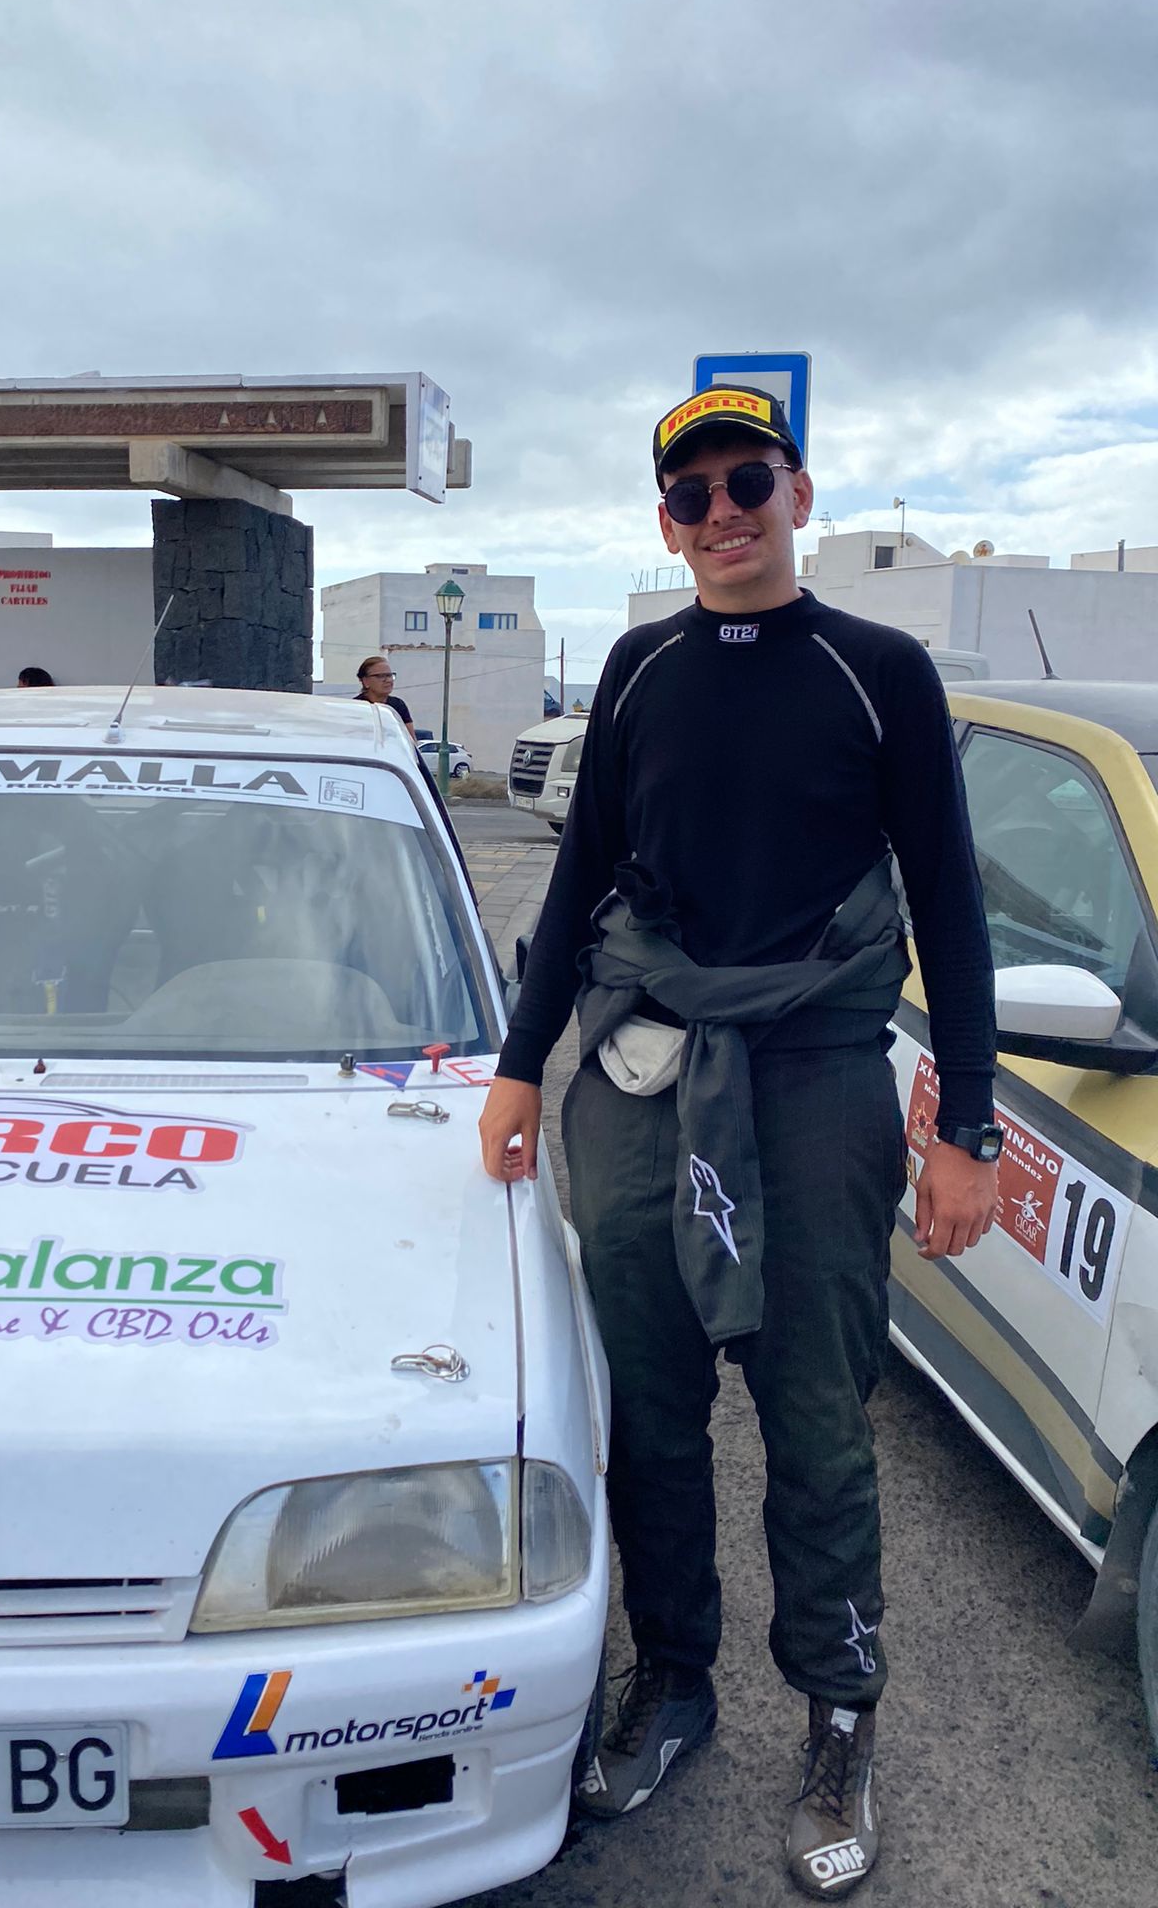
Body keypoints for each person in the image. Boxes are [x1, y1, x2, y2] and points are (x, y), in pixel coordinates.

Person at [477, 386, 999, 1899]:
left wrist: (966, 1122)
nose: (722, 514)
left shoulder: (878, 672)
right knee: (651, 1411)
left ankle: (838, 1712)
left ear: (799, 494)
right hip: (640, 1080)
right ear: (667, 522)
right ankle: (675, 1680)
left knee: (817, 1418)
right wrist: (520, 1068)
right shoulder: (639, 669)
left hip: (819, 1083)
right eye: (691, 495)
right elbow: (581, 874)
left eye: (747, 482)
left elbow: (948, 900)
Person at [354, 656, 418, 744]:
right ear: (365, 681)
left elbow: (411, 741)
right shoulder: (356, 707)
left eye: (389, 675)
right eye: (380, 676)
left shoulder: (398, 705)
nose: (388, 680)